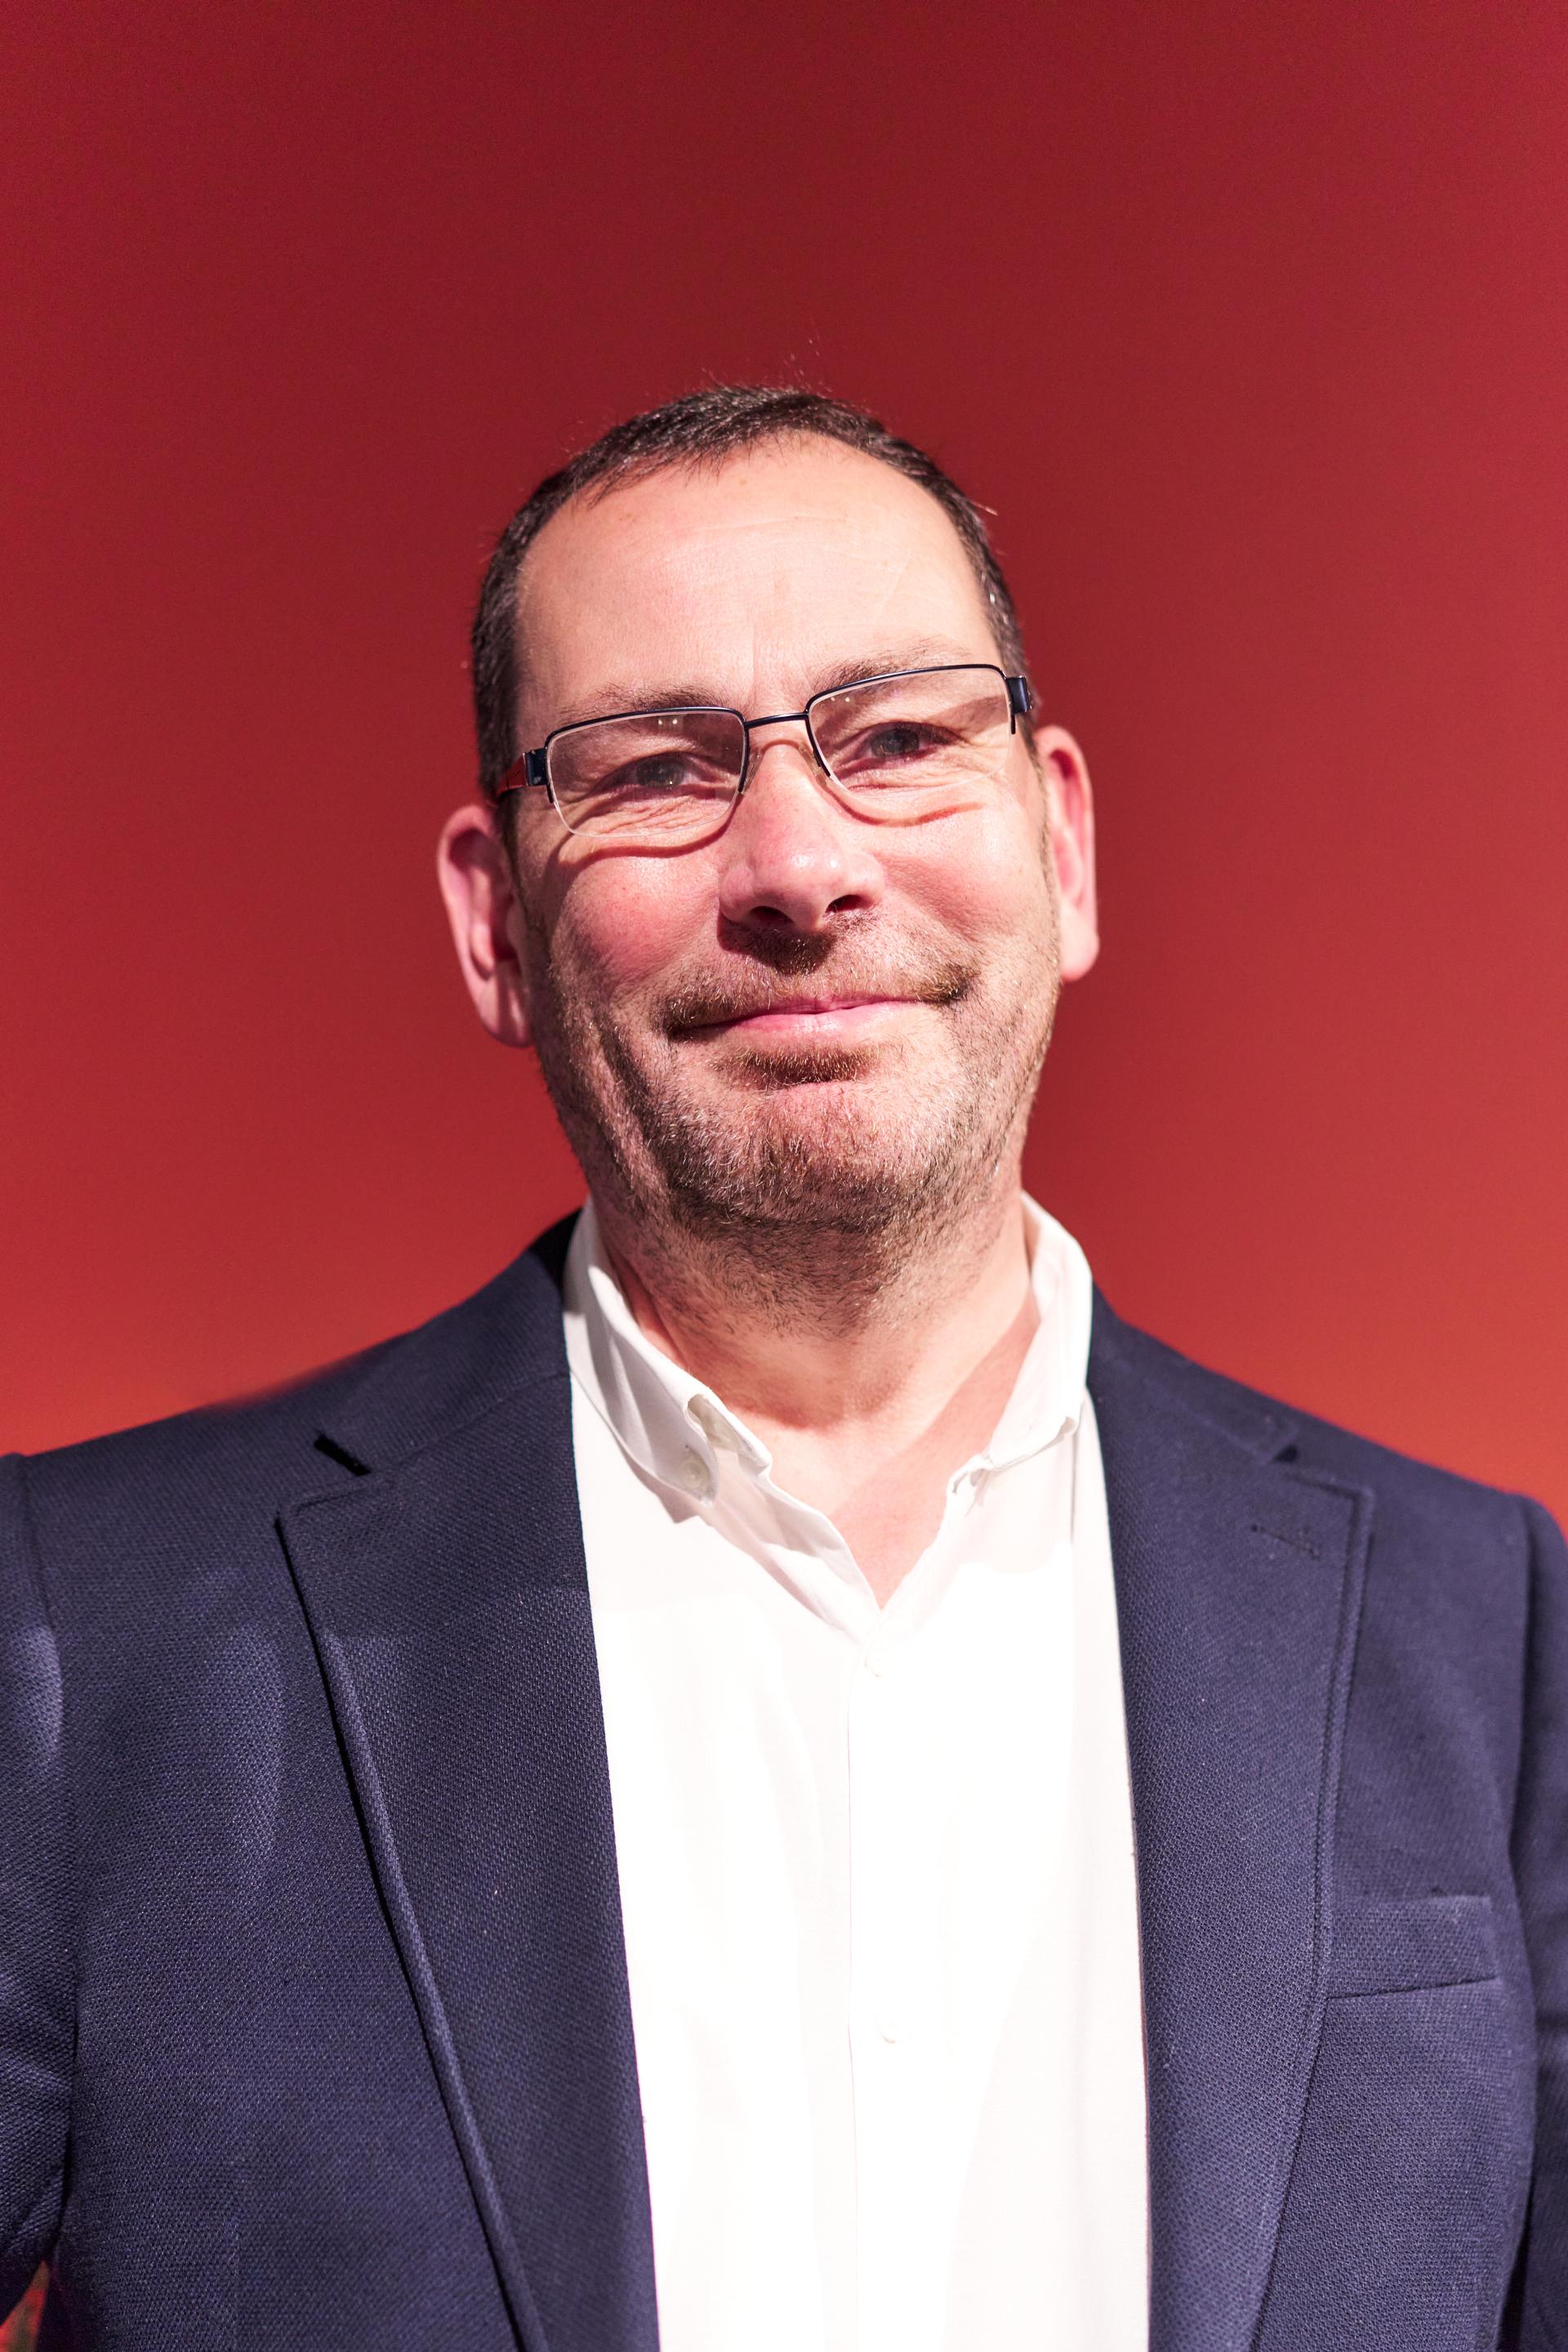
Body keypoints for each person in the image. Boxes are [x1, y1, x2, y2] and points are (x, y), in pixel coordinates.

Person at [0, 386, 1561, 2352]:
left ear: (1060, 843)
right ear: (495, 928)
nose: (801, 864)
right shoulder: (85, 1629)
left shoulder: (1487, 1637)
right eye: (656, 768)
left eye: (899, 737)